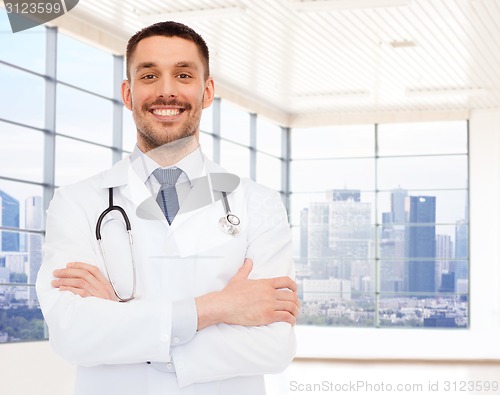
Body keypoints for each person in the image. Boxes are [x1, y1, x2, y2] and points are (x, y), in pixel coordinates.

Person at [36, 21, 299, 395]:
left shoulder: (260, 204)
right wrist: (218, 308)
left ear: (207, 91)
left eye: (183, 74)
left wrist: (125, 324)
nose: (166, 91)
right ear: (127, 93)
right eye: (149, 75)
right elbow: (72, 334)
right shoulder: (77, 202)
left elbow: (274, 347)